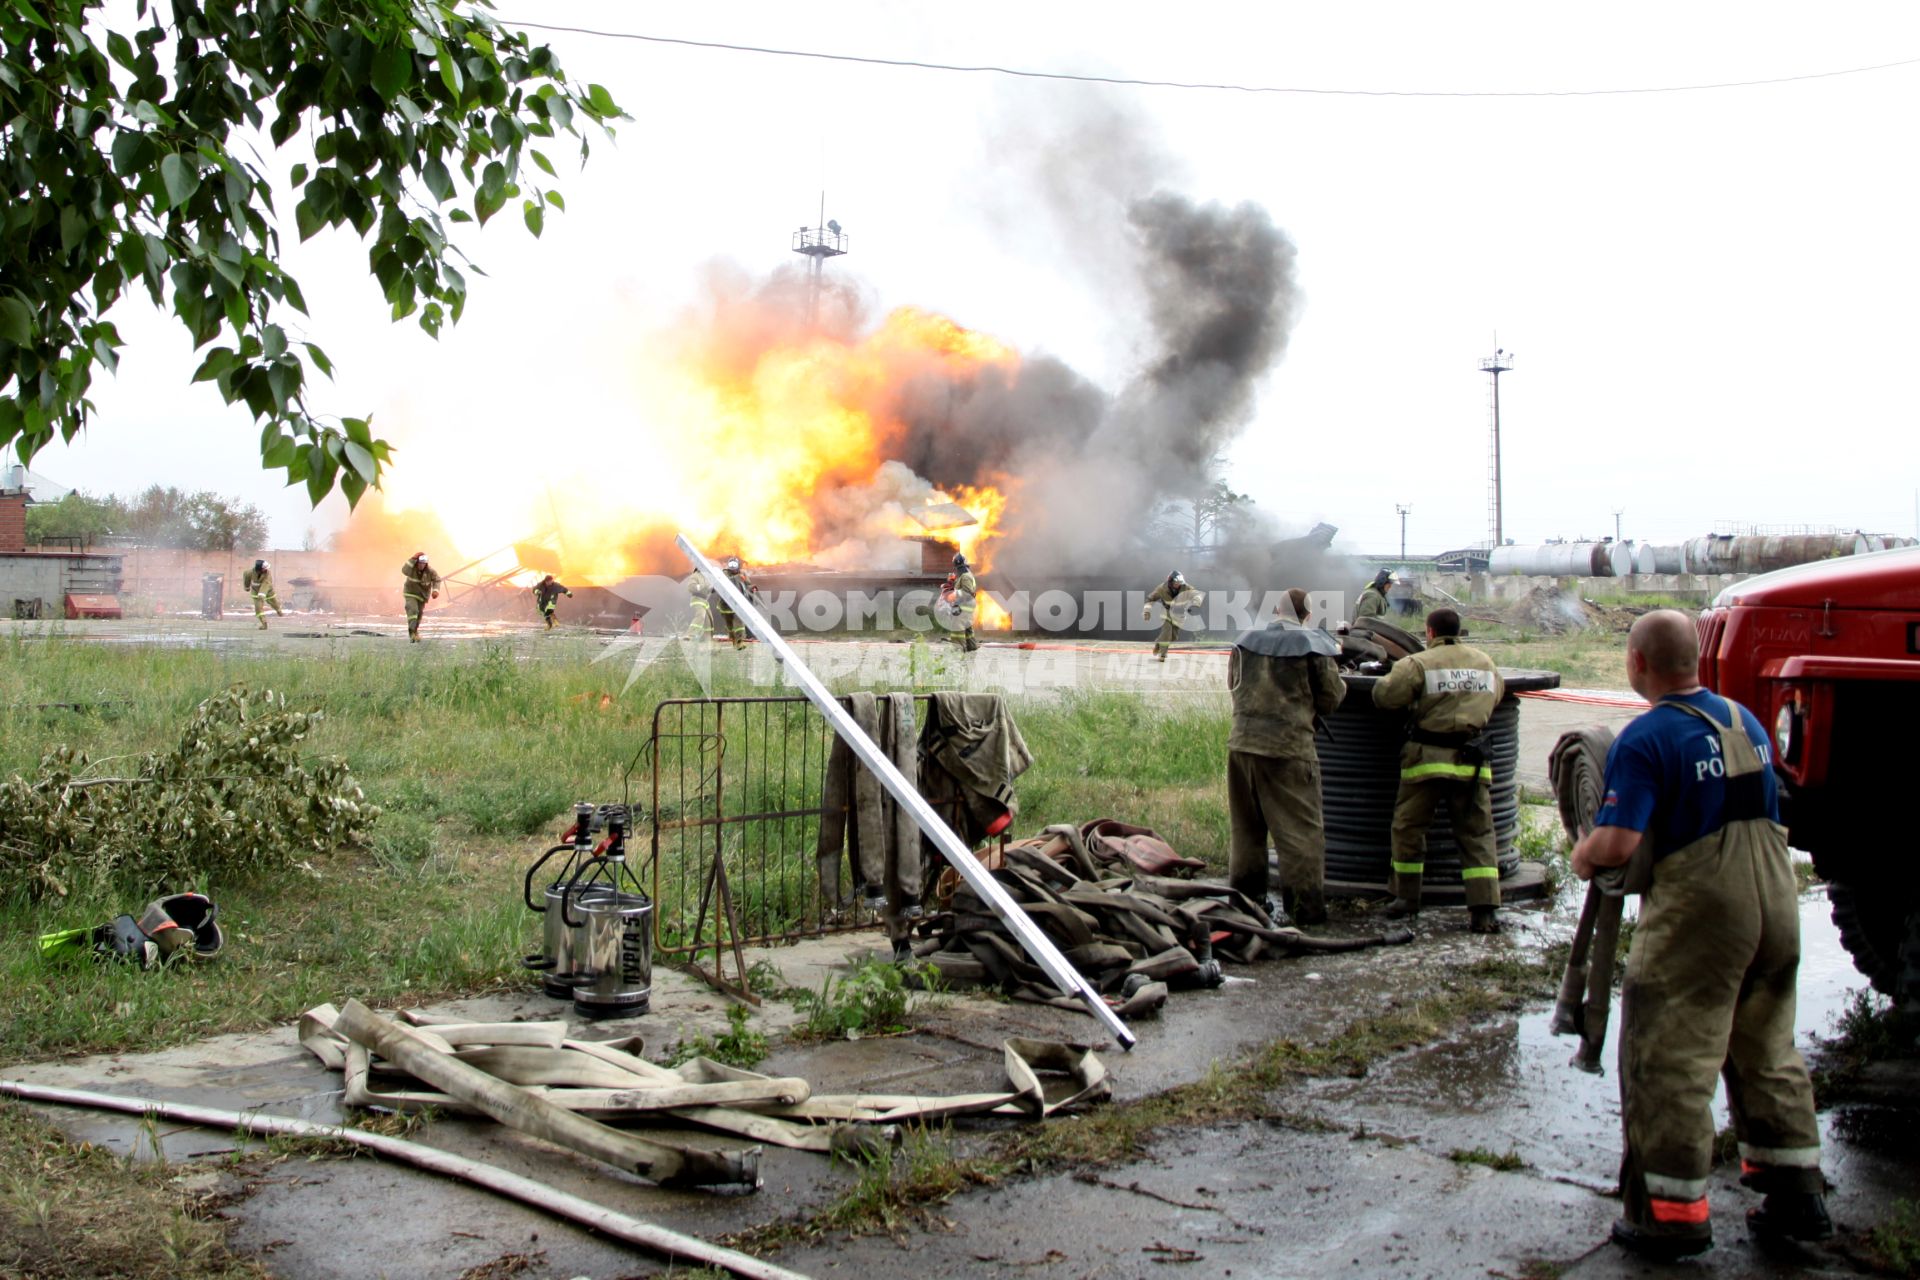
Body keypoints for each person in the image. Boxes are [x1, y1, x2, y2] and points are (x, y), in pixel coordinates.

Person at [1571, 610, 1828, 1260]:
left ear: (1637, 663)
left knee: (1670, 1058)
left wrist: (1583, 853)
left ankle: (1670, 1217)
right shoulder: (1744, 719)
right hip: (1776, 900)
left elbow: (1620, 842)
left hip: (1706, 915)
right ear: (1694, 660)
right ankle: (1797, 1197)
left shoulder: (1648, 736)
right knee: (1767, 1050)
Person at [1370, 606, 1505, 931]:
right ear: (1458, 632)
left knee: (1408, 828)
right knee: (1477, 834)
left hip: (1426, 761)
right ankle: (1484, 910)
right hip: (1471, 762)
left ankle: (1406, 900)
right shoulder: (1485, 663)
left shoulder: (1418, 663)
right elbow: (1497, 695)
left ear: (1430, 633)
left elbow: (1384, 696)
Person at [1227, 588, 1345, 925]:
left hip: (1242, 745)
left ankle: (1245, 906)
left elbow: (1232, 685)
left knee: (1247, 831)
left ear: (1276, 611)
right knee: (1300, 834)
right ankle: (1304, 910)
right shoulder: (1312, 644)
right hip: (1288, 750)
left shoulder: (1246, 640)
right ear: (1306, 615)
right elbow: (1332, 698)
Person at [1143, 570, 1204, 662]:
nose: (1178, 585)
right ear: (1170, 581)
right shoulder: (1161, 589)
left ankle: (1158, 644)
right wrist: (1147, 611)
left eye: (1180, 583)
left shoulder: (1186, 587)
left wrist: (1196, 602)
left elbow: (1197, 594)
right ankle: (1162, 655)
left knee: (1173, 637)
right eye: (1176, 583)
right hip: (1166, 613)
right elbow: (1150, 598)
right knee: (1167, 633)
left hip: (1179, 614)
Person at [939, 552, 980, 652]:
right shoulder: (965, 575)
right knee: (967, 626)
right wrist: (952, 581)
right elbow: (961, 588)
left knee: (957, 625)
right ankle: (971, 646)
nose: (958, 570)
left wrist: (953, 594)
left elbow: (967, 591)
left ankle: (958, 648)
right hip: (966, 604)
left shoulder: (965, 576)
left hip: (965, 604)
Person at [715, 556, 756, 650]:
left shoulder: (743, 574)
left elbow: (748, 585)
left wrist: (752, 588)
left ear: (738, 566)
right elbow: (726, 581)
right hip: (726, 605)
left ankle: (740, 641)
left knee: (739, 623)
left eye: (734, 564)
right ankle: (733, 639)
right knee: (730, 626)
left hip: (738, 604)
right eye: (731, 565)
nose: (732, 567)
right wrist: (738, 577)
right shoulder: (725, 573)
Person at [401, 551, 441, 643]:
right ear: (417, 562)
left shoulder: (430, 572)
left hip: (422, 597)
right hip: (410, 593)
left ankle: (415, 631)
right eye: (419, 563)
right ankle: (411, 633)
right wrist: (412, 558)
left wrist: (436, 591)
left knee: (418, 615)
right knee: (413, 610)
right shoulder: (411, 569)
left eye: (423, 563)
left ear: (426, 564)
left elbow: (437, 580)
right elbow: (404, 570)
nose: (421, 565)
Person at [239, 558, 283, 630]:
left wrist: (262, 594)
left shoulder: (267, 573)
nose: (266, 569)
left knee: (274, 603)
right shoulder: (249, 573)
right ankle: (264, 623)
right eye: (264, 568)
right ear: (260, 569)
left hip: (268, 591)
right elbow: (246, 578)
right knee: (258, 608)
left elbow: (266, 583)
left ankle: (279, 610)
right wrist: (247, 587)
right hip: (255, 592)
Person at [685, 573, 713, 641]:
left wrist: (712, 588)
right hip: (697, 599)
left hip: (705, 600)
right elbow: (690, 587)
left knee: (709, 620)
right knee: (701, 615)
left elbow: (709, 590)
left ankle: (707, 638)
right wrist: (702, 586)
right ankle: (690, 635)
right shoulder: (695, 575)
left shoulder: (707, 576)